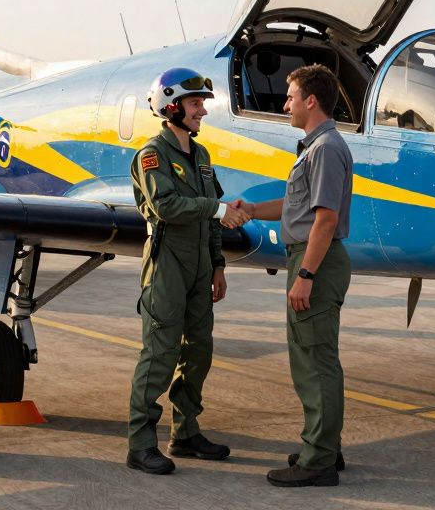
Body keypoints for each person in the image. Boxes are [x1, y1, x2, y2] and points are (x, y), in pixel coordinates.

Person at [126, 67, 250, 475]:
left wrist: (218, 265)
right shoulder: (151, 155)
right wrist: (216, 209)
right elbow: (166, 207)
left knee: (198, 351)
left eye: (202, 104)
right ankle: (141, 443)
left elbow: (210, 220)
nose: (203, 112)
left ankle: (185, 431)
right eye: (196, 104)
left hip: (199, 266)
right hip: (167, 266)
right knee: (159, 354)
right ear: (171, 105)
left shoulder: (202, 156)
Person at [234, 64, 353, 488]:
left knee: (313, 363)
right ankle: (324, 448)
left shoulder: (324, 149)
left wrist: (304, 274)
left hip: (315, 260)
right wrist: (249, 209)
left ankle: (317, 460)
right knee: (318, 358)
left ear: (311, 101)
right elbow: (296, 205)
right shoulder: (317, 148)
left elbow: (324, 219)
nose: (285, 104)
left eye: (290, 96)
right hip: (315, 257)